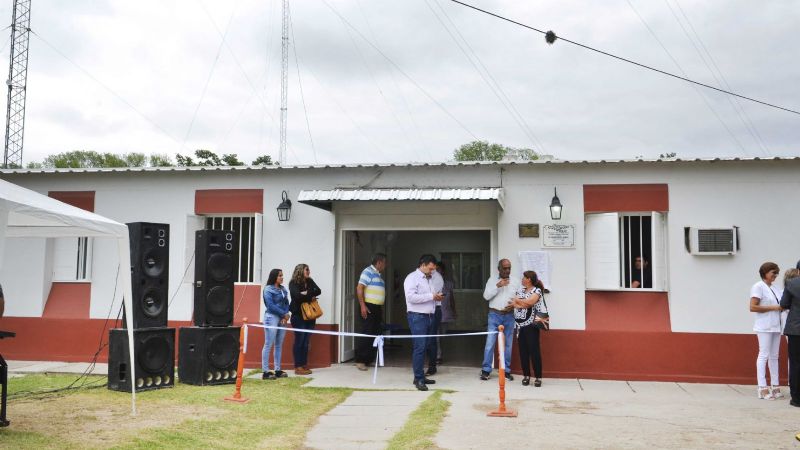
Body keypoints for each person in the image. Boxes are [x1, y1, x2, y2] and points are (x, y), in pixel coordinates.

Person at [404, 254, 443, 391]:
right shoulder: (412, 278)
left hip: (429, 316)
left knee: (425, 346)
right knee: (419, 348)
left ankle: (420, 376)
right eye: (431, 268)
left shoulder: (429, 279)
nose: (433, 271)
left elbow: (429, 296)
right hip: (417, 317)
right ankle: (419, 379)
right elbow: (410, 297)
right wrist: (431, 296)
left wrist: (436, 297)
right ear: (423, 264)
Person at [480, 258, 519, 381]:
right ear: (499, 269)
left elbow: (519, 297)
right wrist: (498, 286)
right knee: (490, 343)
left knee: (508, 344)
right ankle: (486, 370)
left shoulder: (516, 281)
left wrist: (515, 304)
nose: (507, 270)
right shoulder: (492, 280)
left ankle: (506, 371)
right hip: (494, 315)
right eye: (505, 268)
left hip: (509, 315)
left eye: (509, 268)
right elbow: (486, 296)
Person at [750, 262, 784, 399]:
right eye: (773, 273)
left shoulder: (775, 288)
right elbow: (752, 307)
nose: (775, 275)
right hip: (764, 326)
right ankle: (762, 387)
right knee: (763, 354)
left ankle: (775, 386)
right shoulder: (758, 287)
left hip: (776, 326)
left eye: (776, 273)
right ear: (765, 273)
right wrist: (774, 308)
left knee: (774, 356)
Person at [512, 271, 545, 387]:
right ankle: (526, 376)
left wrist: (520, 303)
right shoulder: (520, 291)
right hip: (520, 326)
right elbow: (514, 303)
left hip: (531, 326)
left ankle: (538, 377)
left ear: (529, 279)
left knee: (534, 351)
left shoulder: (537, 291)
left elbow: (531, 302)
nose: (522, 279)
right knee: (523, 352)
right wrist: (523, 304)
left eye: (524, 277)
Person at [355, 253, 386, 371]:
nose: (385, 265)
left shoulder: (378, 274)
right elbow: (359, 287)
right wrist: (363, 305)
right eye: (384, 262)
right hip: (368, 306)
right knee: (367, 332)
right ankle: (360, 360)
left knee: (375, 333)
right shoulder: (367, 271)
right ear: (379, 262)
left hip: (376, 308)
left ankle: (368, 359)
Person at [288, 263, 321, 376]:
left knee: (306, 341)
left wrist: (306, 294)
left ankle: (304, 364)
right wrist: (309, 295)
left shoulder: (310, 281)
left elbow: (318, 291)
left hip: (310, 315)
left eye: (309, 270)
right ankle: (298, 366)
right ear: (301, 271)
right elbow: (296, 296)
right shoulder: (293, 283)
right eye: (307, 270)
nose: (309, 271)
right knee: (300, 340)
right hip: (298, 316)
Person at [262, 268, 290, 380]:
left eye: (282, 275)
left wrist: (286, 314)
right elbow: (270, 305)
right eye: (280, 276)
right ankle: (265, 371)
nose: (282, 277)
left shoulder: (283, 289)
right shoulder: (268, 289)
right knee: (268, 344)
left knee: (279, 344)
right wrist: (284, 314)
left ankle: (277, 369)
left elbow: (286, 302)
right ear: (274, 277)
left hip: (282, 318)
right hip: (271, 317)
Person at [781, 261, 800, 408]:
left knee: (795, 363)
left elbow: (784, 304)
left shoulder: (791, 283)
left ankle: (796, 399)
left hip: (795, 329)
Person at [426, 256, 444, 375]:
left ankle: (432, 366)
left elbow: (430, 294)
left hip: (434, 310)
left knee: (431, 339)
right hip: (425, 311)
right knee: (425, 339)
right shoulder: (425, 277)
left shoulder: (437, 278)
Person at [436, 263, 457, 364]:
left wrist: (454, 311)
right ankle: (438, 356)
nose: (438, 271)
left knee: (442, 336)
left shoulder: (448, 284)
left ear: (443, 271)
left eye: (439, 269)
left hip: (446, 313)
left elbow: (452, 299)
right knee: (436, 336)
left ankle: (439, 353)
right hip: (435, 312)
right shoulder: (432, 282)